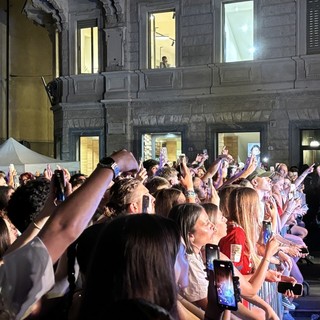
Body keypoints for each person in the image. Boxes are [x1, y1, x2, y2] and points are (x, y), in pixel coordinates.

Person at [0, 149, 139, 319]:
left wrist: (46, 214)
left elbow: (11, 262)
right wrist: (113, 165)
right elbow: (63, 228)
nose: (14, 232)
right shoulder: (7, 294)